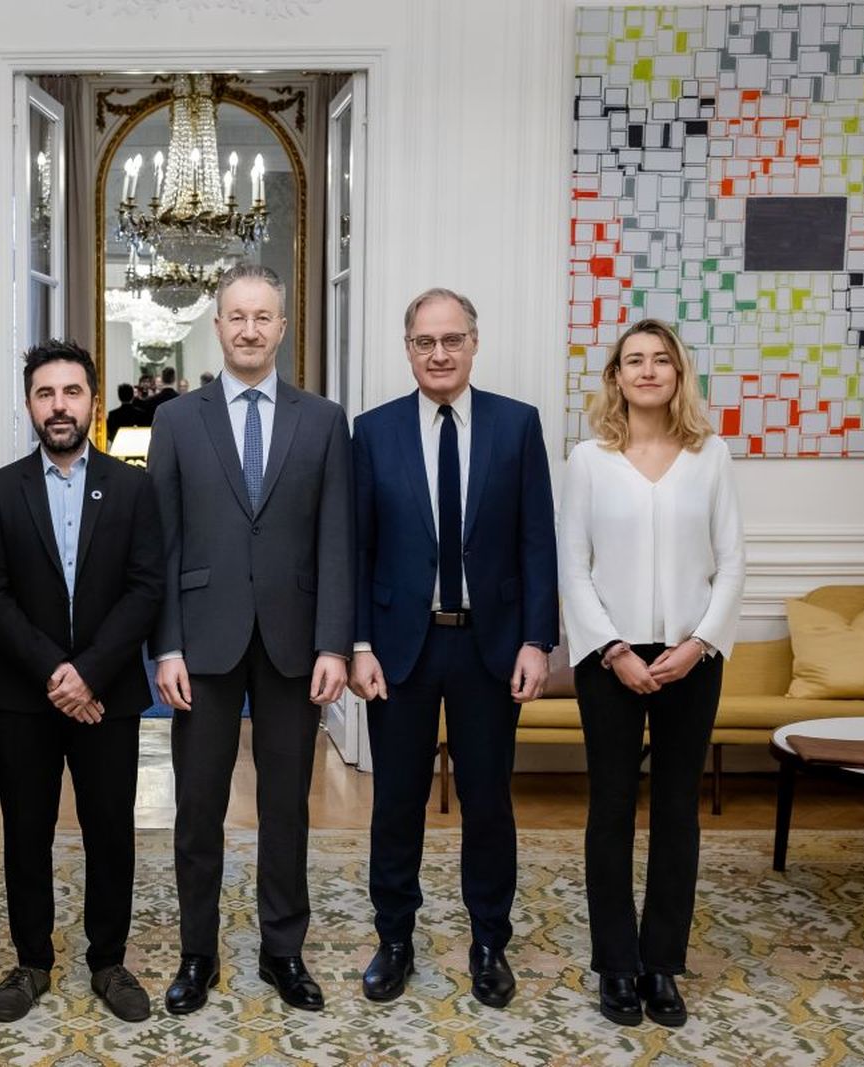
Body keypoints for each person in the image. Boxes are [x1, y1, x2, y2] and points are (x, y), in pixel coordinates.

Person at [148, 263, 353, 1015]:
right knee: (198, 806)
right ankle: (196, 954)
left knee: (287, 804)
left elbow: (338, 537)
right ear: (217, 324)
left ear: (283, 325)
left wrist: (336, 642)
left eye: (263, 316)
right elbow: (161, 543)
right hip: (200, 645)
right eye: (236, 315)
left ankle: (282, 951)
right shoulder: (176, 419)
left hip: (297, 644)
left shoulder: (324, 420)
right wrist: (163, 647)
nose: (249, 328)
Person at [349, 288, 558, 1010]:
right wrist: (359, 643)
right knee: (396, 803)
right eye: (425, 342)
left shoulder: (517, 425)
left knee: (488, 802)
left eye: (452, 339)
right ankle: (395, 939)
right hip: (400, 650)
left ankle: (489, 941)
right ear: (407, 348)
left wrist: (537, 639)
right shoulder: (371, 432)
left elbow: (538, 540)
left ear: (474, 343)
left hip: (490, 650)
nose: (439, 354)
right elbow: (359, 546)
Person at [0, 339, 163, 1023]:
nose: (59, 406)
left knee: (111, 828)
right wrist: (58, 672)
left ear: (91, 401)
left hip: (108, 694)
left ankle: (108, 960)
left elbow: (146, 589)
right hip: (26, 696)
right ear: (30, 403)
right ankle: (31, 961)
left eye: (72, 392)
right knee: (28, 830)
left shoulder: (134, 486)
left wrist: (90, 672)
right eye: (45, 393)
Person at [559, 319, 743, 1028]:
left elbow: (731, 562)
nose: (646, 370)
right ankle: (617, 964)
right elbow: (573, 566)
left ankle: (662, 962)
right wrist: (612, 650)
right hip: (611, 660)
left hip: (692, 659)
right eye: (633, 360)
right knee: (610, 809)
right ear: (615, 376)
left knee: (675, 811)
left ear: (677, 373)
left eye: (660, 360)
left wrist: (699, 642)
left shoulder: (711, 455)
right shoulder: (588, 459)